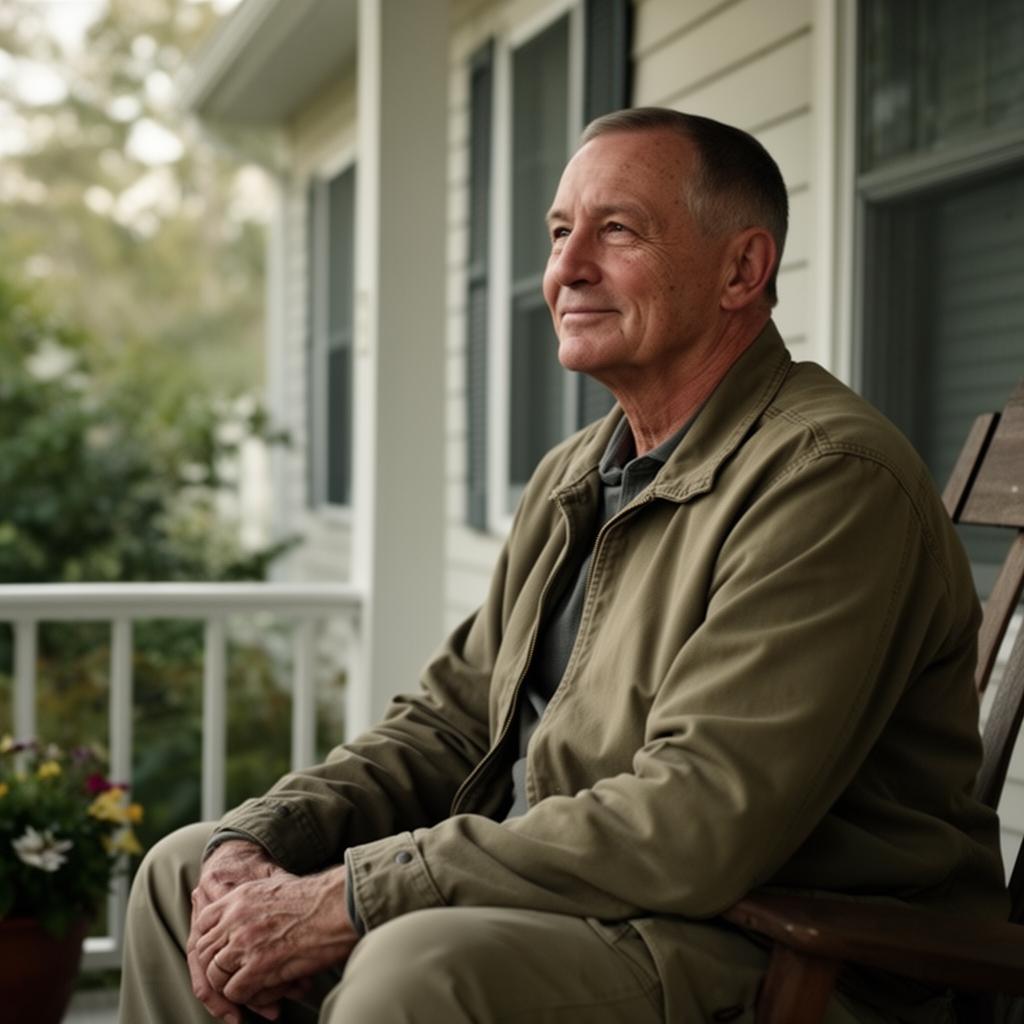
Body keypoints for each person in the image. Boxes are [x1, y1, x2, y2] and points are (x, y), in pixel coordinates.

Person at [119, 108, 1007, 1024]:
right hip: (584, 904)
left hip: (784, 947)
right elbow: (451, 725)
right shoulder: (577, 473)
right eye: (557, 233)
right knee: (186, 877)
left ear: (742, 270)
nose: (566, 268)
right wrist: (262, 837)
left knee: (414, 968)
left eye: (616, 230)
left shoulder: (827, 479)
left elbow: (695, 821)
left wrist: (356, 895)